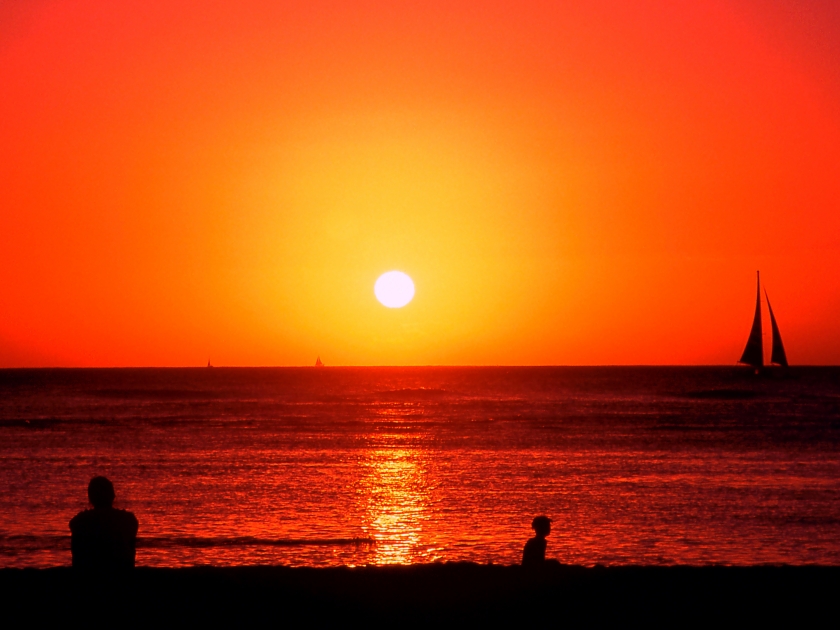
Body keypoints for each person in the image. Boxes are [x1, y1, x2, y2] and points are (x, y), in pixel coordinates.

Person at [69, 476, 138, 570]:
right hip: (121, 571)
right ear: (113, 496)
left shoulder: (78, 522)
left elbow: (76, 553)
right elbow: (130, 551)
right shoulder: (129, 520)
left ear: (90, 497)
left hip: (88, 571)